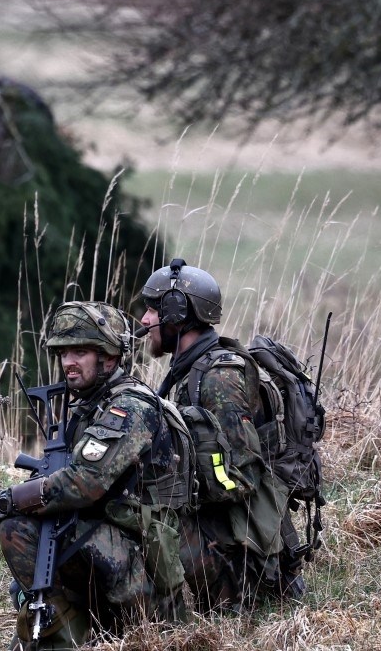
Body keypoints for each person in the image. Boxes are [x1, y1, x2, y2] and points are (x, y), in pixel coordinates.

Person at [0, 301, 190, 650]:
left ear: (109, 356)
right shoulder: (90, 405)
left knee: (18, 528)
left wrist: (7, 501)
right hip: (120, 549)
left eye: (81, 351)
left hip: (148, 570)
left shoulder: (129, 408)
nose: (69, 362)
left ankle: (79, 635)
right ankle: (68, 627)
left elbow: (82, 484)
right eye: (64, 352)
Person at [138, 258, 300, 611]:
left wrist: (170, 484)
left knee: (141, 520)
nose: (144, 321)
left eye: (152, 310)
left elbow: (239, 479)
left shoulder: (218, 378)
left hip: (241, 555)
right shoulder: (190, 371)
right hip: (225, 533)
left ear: (176, 314)